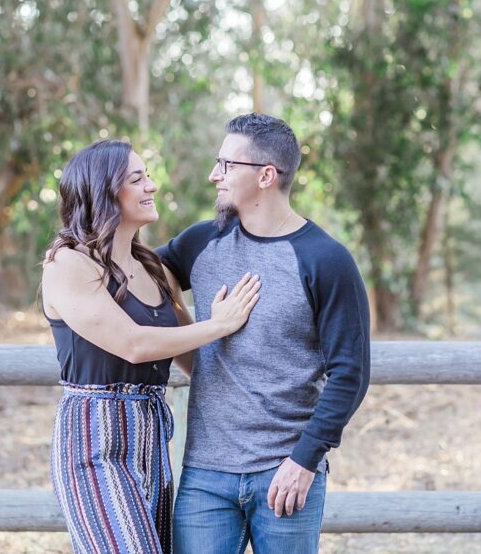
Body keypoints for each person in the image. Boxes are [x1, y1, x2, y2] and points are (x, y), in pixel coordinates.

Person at [157, 113, 371, 553]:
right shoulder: (201, 242)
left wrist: (304, 460)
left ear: (266, 176)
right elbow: (141, 274)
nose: (213, 175)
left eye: (226, 165)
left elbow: (350, 373)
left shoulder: (325, 260)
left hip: (286, 473)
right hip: (205, 478)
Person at [41, 139, 261, 554]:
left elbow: (192, 358)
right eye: (137, 179)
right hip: (93, 439)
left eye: (148, 176)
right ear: (103, 192)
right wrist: (220, 324)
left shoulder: (153, 268)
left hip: (152, 435)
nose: (152, 186)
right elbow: (135, 345)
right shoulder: (68, 264)